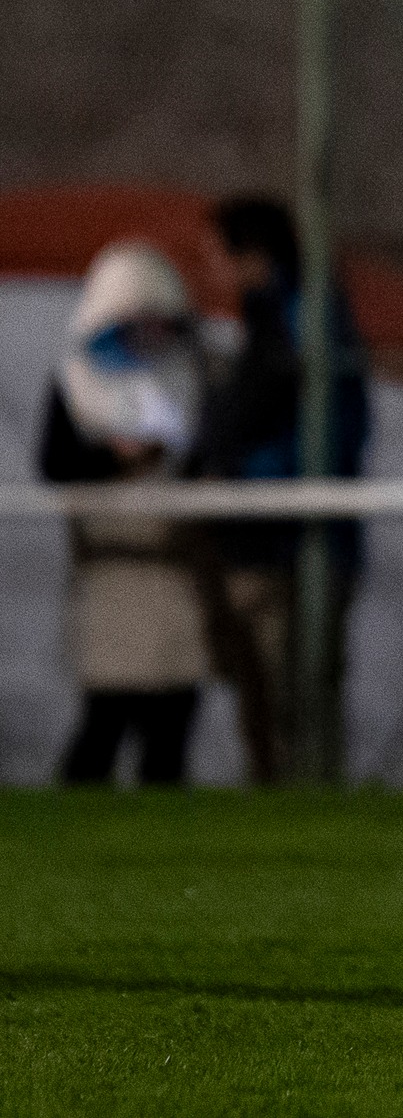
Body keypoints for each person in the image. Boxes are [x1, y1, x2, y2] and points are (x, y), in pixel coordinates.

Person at [197, 196, 371, 784]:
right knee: (268, 700)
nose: (210, 271)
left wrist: (244, 478)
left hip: (300, 541)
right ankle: (283, 814)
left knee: (299, 697)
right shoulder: (270, 319)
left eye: (216, 255)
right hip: (263, 540)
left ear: (252, 254)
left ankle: (314, 816)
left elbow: (336, 434)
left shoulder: (308, 318)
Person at [41, 242, 211, 785]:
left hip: (176, 568)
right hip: (109, 569)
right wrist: (115, 456)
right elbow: (55, 463)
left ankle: (169, 850)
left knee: (172, 722)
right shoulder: (74, 383)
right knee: (105, 717)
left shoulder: (195, 374)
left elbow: (212, 454)